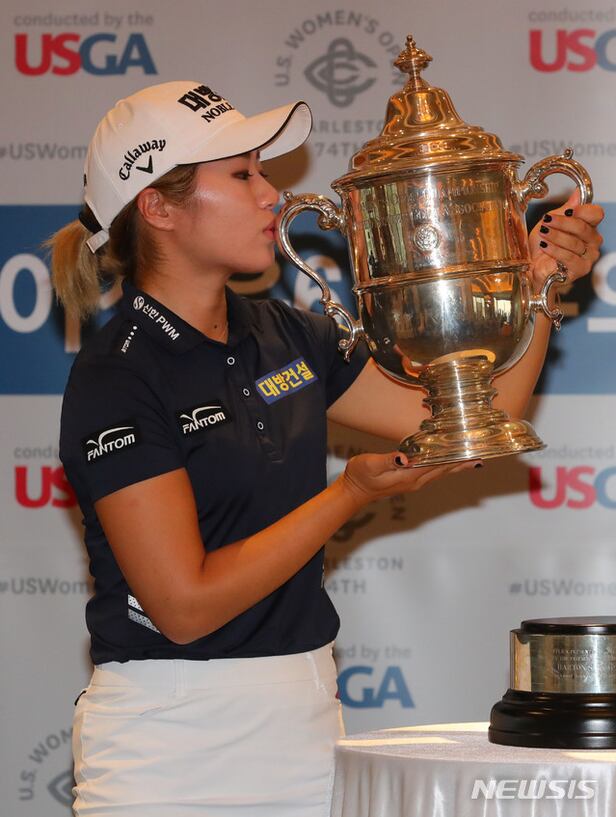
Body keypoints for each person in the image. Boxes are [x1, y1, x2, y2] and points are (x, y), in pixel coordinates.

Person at [48, 80, 603, 817]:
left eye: (263, 172)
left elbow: (481, 416)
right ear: (159, 207)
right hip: (165, 747)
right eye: (241, 175)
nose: (271, 194)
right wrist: (350, 495)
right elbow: (184, 606)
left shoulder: (288, 333)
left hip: (306, 722)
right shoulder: (117, 373)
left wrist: (536, 287)